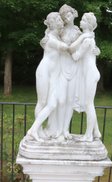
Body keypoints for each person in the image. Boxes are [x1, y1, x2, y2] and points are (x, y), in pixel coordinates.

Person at [27, 12, 68, 141]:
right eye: (60, 20)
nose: (62, 22)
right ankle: (37, 130)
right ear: (54, 23)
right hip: (44, 72)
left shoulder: (56, 37)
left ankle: (35, 129)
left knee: (52, 104)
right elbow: (65, 47)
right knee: (42, 102)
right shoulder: (51, 39)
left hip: (53, 74)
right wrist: (85, 38)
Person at [47, 4, 81, 139]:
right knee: (61, 100)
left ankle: (65, 129)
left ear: (73, 14)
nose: (68, 18)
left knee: (70, 101)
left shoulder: (79, 32)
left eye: (69, 14)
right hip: (62, 67)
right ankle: (58, 129)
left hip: (74, 67)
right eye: (65, 16)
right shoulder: (61, 32)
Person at [70, 12, 101, 142]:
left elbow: (76, 56)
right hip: (90, 73)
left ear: (88, 24)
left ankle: (88, 135)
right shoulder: (89, 38)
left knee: (89, 105)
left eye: (82, 20)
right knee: (89, 104)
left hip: (90, 74)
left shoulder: (87, 39)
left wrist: (67, 51)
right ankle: (96, 132)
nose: (80, 21)